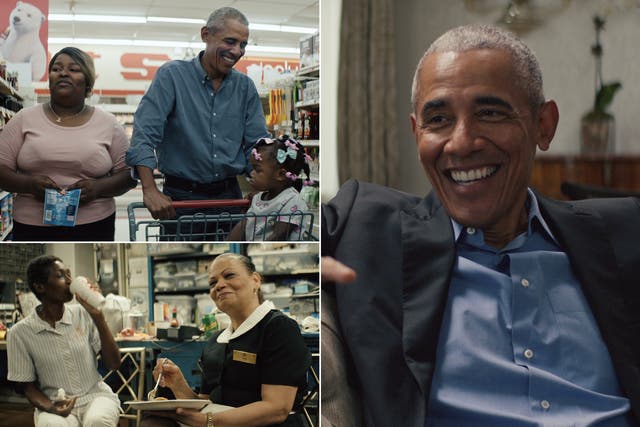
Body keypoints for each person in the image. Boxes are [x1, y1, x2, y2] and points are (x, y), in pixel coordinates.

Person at [321, 25, 640, 426]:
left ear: (544, 125)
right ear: (416, 131)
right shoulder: (365, 225)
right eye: (438, 119)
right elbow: (262, 241)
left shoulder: (622, 229)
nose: (461, 142)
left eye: (490, 113)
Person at [125, 7, 270, 226]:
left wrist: (265, 186)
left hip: (230, 196)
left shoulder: (245, 87)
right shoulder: (172, 76)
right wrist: (149, 189)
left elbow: (256, 144)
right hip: (181, 197)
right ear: (206, 35)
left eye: (243, 45)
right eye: (230, 41)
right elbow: (145, 134)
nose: (237, 51)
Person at [141, 252, 311, 427]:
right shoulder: (216, 341)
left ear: (255, 281)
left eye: (229, 275)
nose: (219, 286)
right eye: (213, 283)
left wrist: (208, 422)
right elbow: (205, 405)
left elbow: (276, 409)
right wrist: (178, 385)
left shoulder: (278, 328)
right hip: (218, 422)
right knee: (154, 421)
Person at [0, 47, 136, 241]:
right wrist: (29, 184)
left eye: (73, 69)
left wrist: (97, 188)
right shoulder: (23, 119)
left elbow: (129, 175)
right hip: (32, 225)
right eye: (56, 69)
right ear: (50, 80)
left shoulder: (108, 123)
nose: (63, 73)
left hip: (95, 223)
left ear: (88, 82)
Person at [7, 255, 121, 427]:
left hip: (95, 396)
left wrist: (98, 317)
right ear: (40, 286)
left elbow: (114, 364)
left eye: (69, 275)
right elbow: (27, 387)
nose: (69, 281)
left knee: (97, 421)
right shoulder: (20, 333)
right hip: (54, 402)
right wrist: (51, 407)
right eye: (61, 276)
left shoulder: (83, 314)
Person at [227, 135, 313, 241]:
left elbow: (279, 235)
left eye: (257, 170)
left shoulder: (292, 201)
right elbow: (244, 225)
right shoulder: (258, 198)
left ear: (281, 174)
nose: (252, 173)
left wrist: (257, 250)